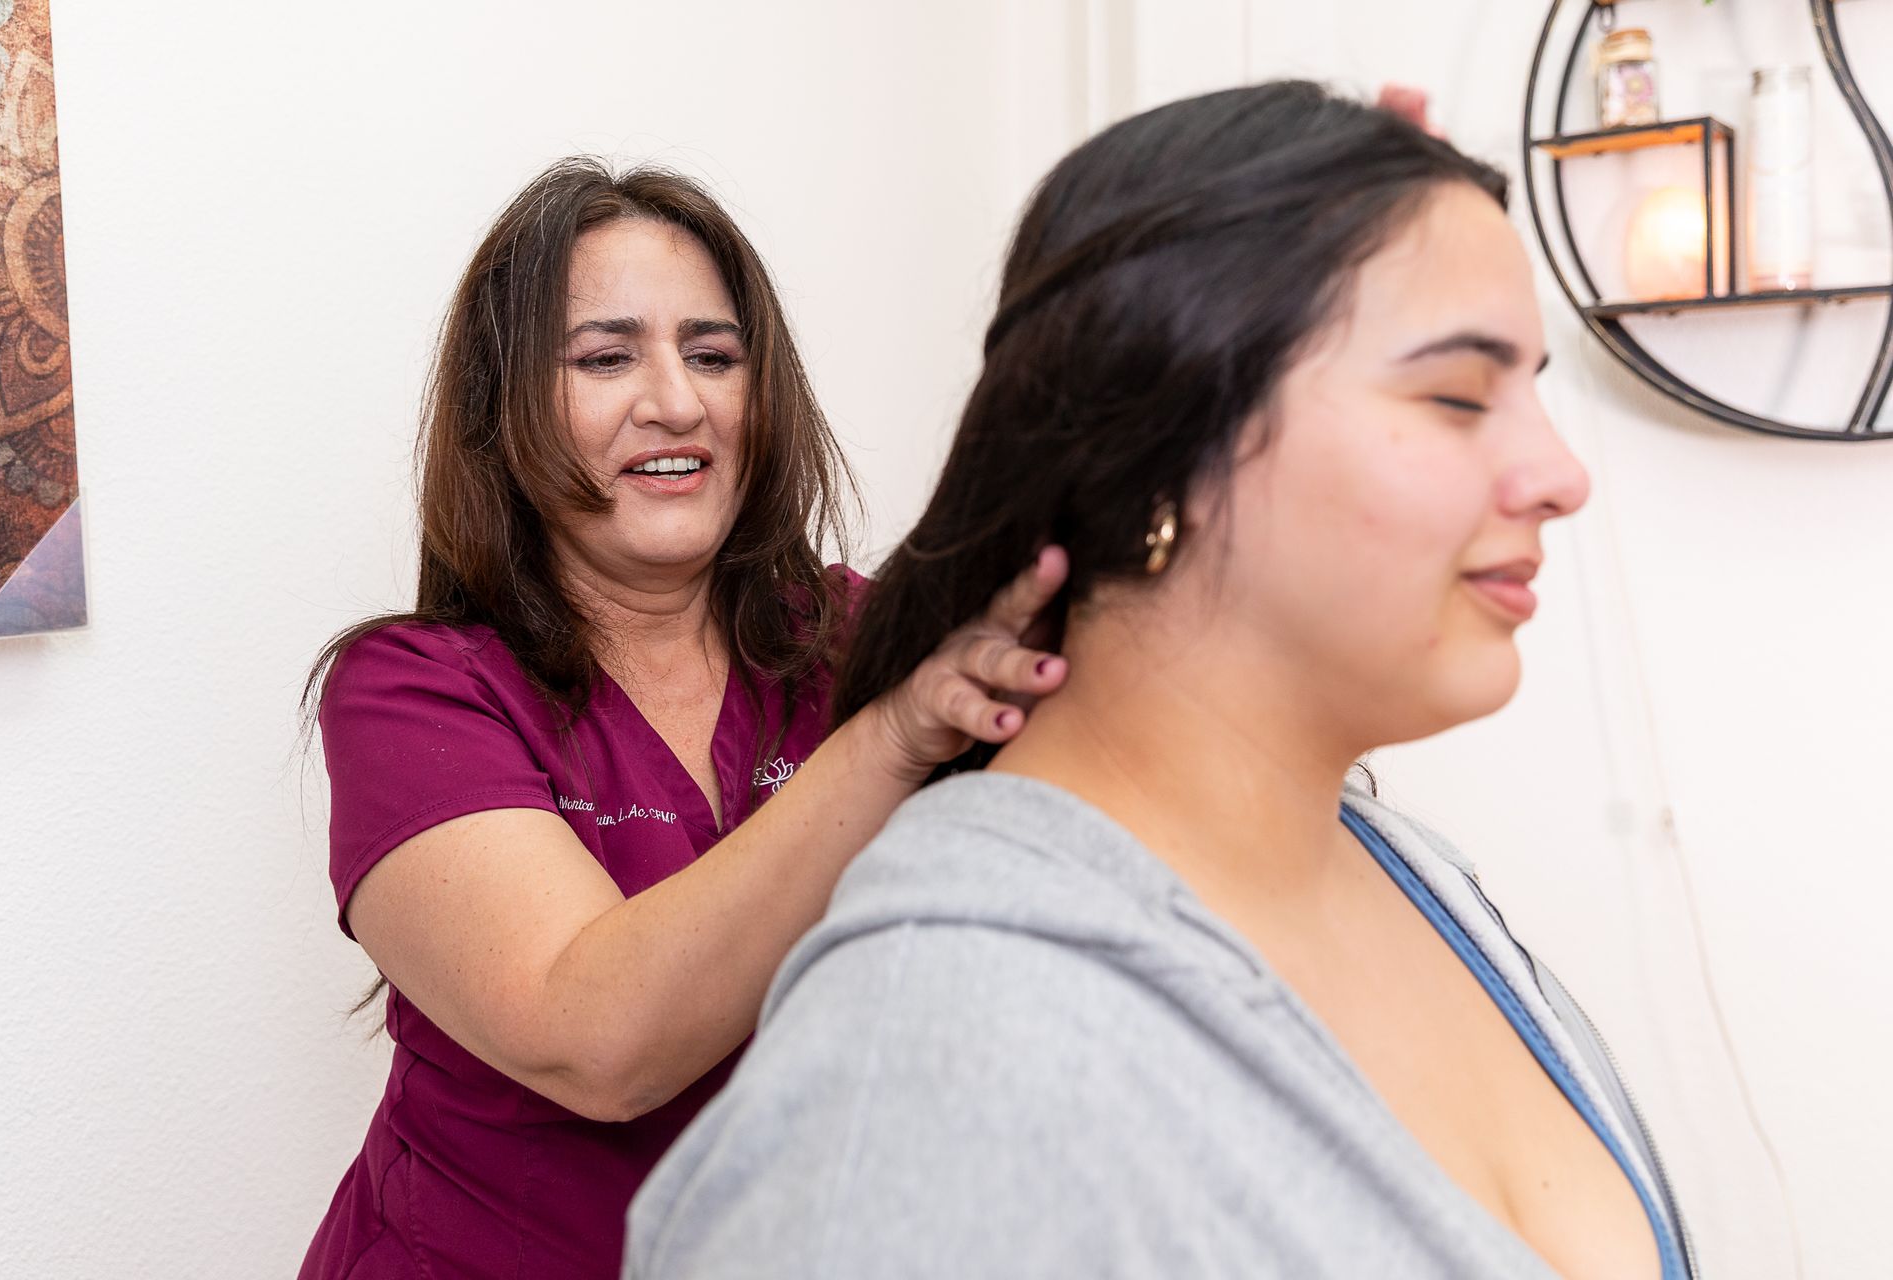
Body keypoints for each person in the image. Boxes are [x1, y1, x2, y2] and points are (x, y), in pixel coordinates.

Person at [624, 82, 1696, 1280]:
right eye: (1456, 395)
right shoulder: (939, 1059)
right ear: (1162, 451)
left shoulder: (1420, 879)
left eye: (1532, 388)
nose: (1559, 474)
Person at [297, 160, 1070, 1278]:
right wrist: (891, 740)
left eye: (713, 355)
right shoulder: (412, 691)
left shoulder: (855, 641)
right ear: (502, 412)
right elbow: (598, 1043)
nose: (678, 400)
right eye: (605, 358)